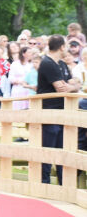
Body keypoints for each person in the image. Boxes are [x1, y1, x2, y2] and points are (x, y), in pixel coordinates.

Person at [37, 35, 83, 185]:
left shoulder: (61, 64)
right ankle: (44, 183)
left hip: (63, 113)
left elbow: (73, 84)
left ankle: (64, 185)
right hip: (50, 112)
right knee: (48, 150)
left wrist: (73, 86)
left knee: (63, 150)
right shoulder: (47, 63)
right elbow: (60, 87)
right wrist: (73, 86)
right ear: (62, 47)